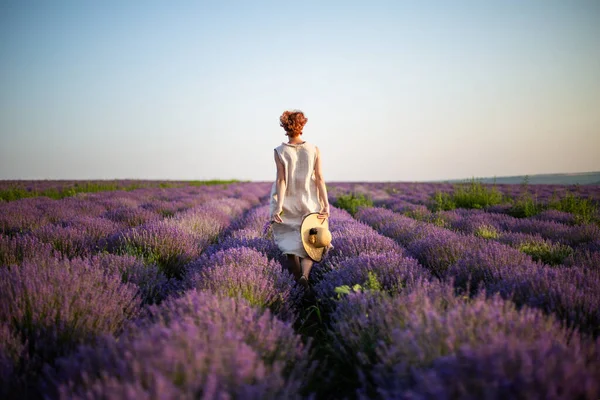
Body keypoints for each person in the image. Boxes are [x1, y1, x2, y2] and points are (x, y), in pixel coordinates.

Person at [269, 110, 330, 289]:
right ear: (302, 126)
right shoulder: (314, 149)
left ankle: (298, 284)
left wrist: (278, 206)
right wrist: (325, 204)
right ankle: (305, 275)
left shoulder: (279, 151)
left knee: (289, 244)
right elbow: (319, 178)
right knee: (311, 240)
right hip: (309, 201)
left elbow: (281, 180)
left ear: (285, 127)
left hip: (287, 201)